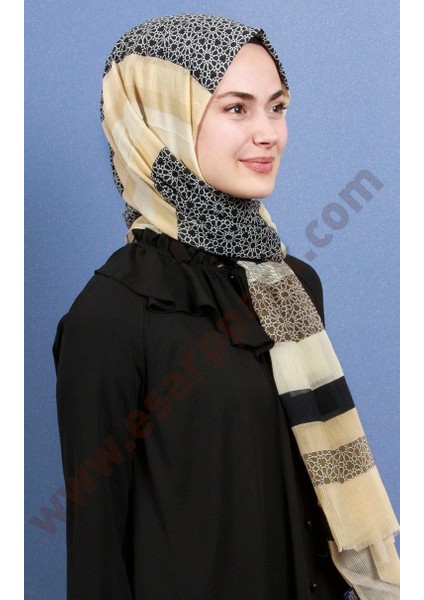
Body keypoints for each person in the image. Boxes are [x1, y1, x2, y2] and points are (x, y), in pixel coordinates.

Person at [53, 13, 400, 600]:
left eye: (277, 106)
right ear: (157, 121)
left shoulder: (292, 284)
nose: (269, 134)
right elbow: (97, 553)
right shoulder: (113, 316)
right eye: (236, 108)